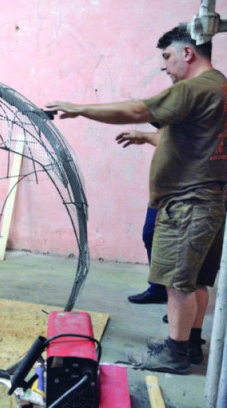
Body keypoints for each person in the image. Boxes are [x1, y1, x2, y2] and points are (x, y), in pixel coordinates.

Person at [47, 25, 227, 375]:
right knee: (196, 280)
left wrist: (80, 108)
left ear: (188, 53)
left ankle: (175, 355)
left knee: (177, 282)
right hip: (209, 197)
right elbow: (192, 141)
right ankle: (188, 344)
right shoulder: (219, 85)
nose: (164, 65)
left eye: (167, 56)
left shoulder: (192, 89)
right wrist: (147, 139)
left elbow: (135, 110)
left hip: (188, 202)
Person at [117, 130, 167, 305]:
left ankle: (182, 307)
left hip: (184, 191)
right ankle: (158, 289)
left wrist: (145, 136)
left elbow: (175, 139)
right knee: (150, 235)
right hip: (161, 191)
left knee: (182, 248)